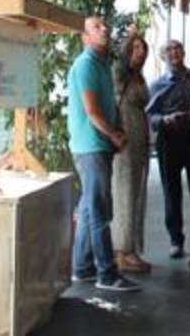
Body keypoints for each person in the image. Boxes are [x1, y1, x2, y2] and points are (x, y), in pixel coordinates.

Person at [67, 16, 140, 292]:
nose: (105, 29)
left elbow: (106, 107)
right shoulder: (85, 64)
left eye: (104, 25)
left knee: (88, 209)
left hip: (98, 146)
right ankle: (107, 275)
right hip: (91, 147)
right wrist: (114, 135)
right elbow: (92, 111)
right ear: (84, 38)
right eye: (96, 27)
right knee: (99, 211)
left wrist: (114, 134)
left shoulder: (101, 64)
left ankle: (81, 268)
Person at [146, 40, 190, 259]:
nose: (174, 52)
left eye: (178, 48)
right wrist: (166, 119)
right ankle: (176, 240)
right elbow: (149, 116)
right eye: (169, 50)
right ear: (163, 57)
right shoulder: (156, 84)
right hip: (169, 140)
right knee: (171, 192)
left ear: (184, 52)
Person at [111, 32, 151, 274]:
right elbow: (112, 104)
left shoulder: (138, 76)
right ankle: (121, 251)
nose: (140, 51)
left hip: (139, 138)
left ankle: (131, 247)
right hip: (125, 138)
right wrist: (114, 135)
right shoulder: (119, 74)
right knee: (124, 193)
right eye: (136, 47)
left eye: (143, 48)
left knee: (137, 193)